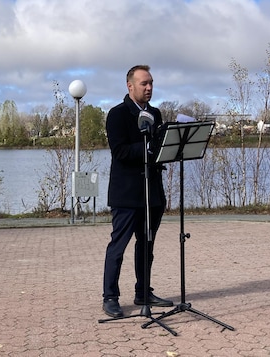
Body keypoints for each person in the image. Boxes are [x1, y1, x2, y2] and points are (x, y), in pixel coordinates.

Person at [102, 65, 173, 318]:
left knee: (147, 245)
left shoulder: (155, 113)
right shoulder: (117, 115)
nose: (149, 88)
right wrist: (149, 148)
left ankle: (143, 292)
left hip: (152, 193)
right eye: (144, 83)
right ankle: (110, 297)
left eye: (151, 83)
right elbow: (119, 151)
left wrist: (163, 149)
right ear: (130, 86)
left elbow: (159, 149)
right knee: (118, 247)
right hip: (127, 193)